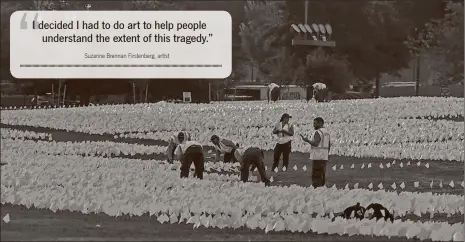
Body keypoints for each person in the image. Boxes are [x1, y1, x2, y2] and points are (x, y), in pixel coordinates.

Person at [300, 117, 331, 188]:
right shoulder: (326, 132)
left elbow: (316, 143)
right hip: (324, 156)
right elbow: (329, 145)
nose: (314, 125)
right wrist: (326, 154)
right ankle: (321, 189)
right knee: (322, 174)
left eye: (315, 123)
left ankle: (316, 189)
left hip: (317, 156)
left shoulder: (318, 132)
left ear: (320, 123)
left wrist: (307, 140)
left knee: (316, 174)